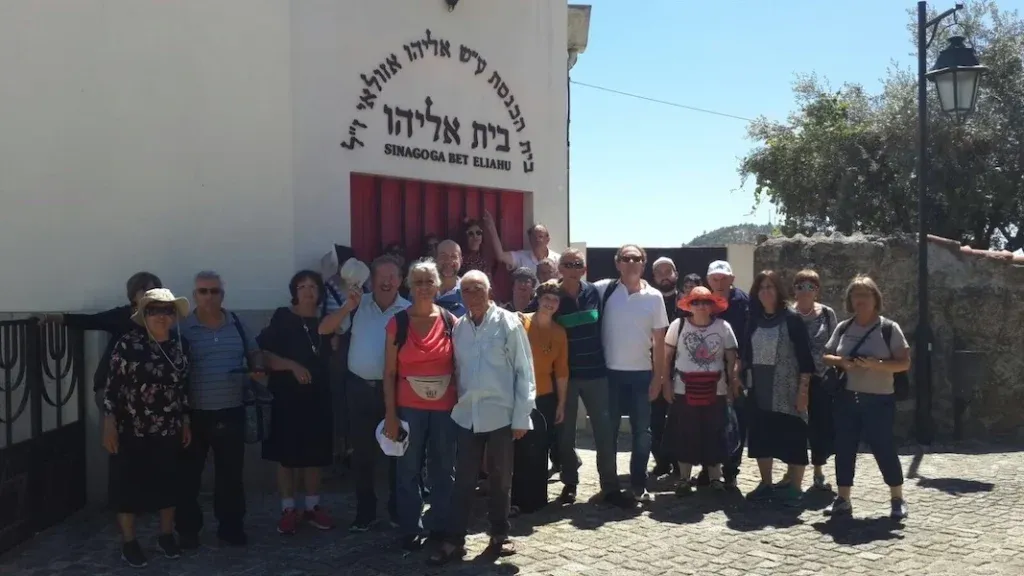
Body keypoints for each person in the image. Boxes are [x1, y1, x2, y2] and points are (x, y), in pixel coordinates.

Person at [427, 270, 535, 566]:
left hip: (501, 413)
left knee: (501, 478)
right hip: (467, 415)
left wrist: (522, 416)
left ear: (489, 291)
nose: (471, 295)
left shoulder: (508, 322)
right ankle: (454, 539)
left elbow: (523, 370)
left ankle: (500, 534)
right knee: (463, 480)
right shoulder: (459, 327)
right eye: (465, 290)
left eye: (477, 289)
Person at [319, 256, 410, 531]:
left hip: (394, 392)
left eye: (392, 276)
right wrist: (347, 306)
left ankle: (397, 509)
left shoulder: (408, 311)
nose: (386, 281)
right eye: (381, 276)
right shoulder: (358, 306)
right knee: (362, 455)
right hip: (359, 390)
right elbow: (324, 329)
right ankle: (365, 511)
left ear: (401, 280)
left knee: (398, 452)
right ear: (371, 280)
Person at [102, 288, 191, 568]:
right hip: (131, 427)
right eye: (154, 310)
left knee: (169, 484)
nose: (161, 316)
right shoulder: (128, 343)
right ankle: (130, 542)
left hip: (168, 427)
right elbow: (112, 386)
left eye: (166, 310)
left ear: (174, 315)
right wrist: (109, 423)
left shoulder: (181, 345)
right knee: (127, 487)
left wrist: (186, 420)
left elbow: (185, 387)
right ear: (144, 315)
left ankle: (166, 536)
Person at [175, 271, 264, 548]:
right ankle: (188, 531)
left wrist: (257, 369)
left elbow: (255, 351)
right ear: (194, 296)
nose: (209, 296)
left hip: (232, 410)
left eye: (214, 291)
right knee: (189, 478)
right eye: (203, 291)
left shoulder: (237, 323)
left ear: (222, 295)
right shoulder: (183, 329)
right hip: (195, 414)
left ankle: (231, 528)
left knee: (230, 477)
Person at [381, 260, 458, 551]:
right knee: (408, 469)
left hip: (445, 409)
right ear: (410, 287)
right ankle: (409, 527)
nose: (424, 287)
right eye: (418, 282)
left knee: (443, 470)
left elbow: (461, 369)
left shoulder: (451, 321)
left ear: (438, 285)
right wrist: (390, 415)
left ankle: (439, 525)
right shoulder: (397, 323)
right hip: (408, 408)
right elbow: (388, 373)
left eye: (429, 281)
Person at [548, 248, 633, 508]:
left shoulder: (594, 293)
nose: (574, 268)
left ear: (584, 269)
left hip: (597, 374)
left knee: (604, 433)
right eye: (568, 264)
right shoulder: (552, 296)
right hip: (566, 377)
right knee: (565, 434)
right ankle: (570, 484)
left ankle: (610, 486)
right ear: (559, 269)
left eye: (578, 264)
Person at [822, 275, 911, 520]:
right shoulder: (844, 327)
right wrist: (842, 362)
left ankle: (897, 498)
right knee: (844, 449)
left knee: (884, 449)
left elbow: (904, 363)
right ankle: (843, 499)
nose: (860, 299)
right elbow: (826, 356)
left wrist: (877, 364)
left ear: (875, 298)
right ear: (850, 299)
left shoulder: (888, 328)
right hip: (847, 398)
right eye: (855, 294)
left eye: (865, 294)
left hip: (879, 399)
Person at [260, 271, 335, 535]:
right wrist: (291, 365)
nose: (307, 291)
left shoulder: (327, 320)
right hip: (287, 397)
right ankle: (289, 508)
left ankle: (313, 507)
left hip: (318, 396)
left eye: (313, 286)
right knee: (287, 456)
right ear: (294, 291)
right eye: (302, 286)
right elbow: (264, 354)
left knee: (314, 455)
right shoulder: (283, 317)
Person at [596, 245, 669, 502]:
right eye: (625, 258)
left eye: (636, 258)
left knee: (642, 432)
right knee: (609, 433)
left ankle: (638, 484)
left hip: (641, 375)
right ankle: (610, 485)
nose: (630, 263)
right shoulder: (604, 290)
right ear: (617, 263)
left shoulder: (655, 297)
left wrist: (659, 378)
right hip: (610, 375)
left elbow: (660, 342)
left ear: (643, 263)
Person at [740, 270, 816, 506]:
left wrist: (803, 392)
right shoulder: (754, 318)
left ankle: (795, 487)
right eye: (761, 287)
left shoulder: (792, 319)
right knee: (761, 437)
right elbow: (746, 353)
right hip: (759, 389)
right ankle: (766, 483)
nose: (765, 291)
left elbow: (805, 359)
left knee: (793, 436)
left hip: (787, 390)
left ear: (779, 290)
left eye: (770, 287)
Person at [36, 271, 163, 410]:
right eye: (147, 291)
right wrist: (49, 317)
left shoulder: (161, 319)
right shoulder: (122, 316)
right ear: (134, 294)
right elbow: (89, 321)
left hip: (144, 391)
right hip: (113, 387)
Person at [663, 287, 740, 495]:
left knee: (715, 433)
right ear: (689, 305)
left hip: (717, 390)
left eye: (705, 302)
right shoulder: (677, 327)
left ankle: (715, 479)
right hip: (682, 389)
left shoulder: (724, 327)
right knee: (685, 434)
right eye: (696, 302)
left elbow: (733, 358)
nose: (701, 306)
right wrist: (666, 383)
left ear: (712, 305)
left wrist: (733, 382)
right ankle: (684, 479)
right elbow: (667, 357)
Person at [775, 269, 838, 492]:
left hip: (820, 379)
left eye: (810, 286)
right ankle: (792, 471)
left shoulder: (827, 314)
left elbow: (834, 343)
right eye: (800, 285)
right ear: (794, 289)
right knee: (794, 427)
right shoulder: (787, 314)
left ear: (817, 290)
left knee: (820, 425)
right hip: (793, 378)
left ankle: (818, 471)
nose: (805, 290)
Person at [512, 280, 569, 512]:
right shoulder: (519, 322)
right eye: (546, 298)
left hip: (545, 395)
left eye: (555, 300)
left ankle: (536, 500)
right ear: (538, 298)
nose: (550, 303)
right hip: (518, 393)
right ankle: (514, 500)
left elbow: (562, 370)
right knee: (518, 448)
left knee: (539, 447)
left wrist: (562, 402)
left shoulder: (559, 332)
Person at [705, 260, 751, 488]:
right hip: (708, 373)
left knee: (736, 421)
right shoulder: (705, 301)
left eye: (724, 278)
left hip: (737, 371)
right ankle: (710, 468)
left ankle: (731, 469)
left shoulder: (744, 302)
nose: (719, 282)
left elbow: (746, 341)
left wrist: (737, 374)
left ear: (732, 279)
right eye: (715, 278)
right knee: (709, 421)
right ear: (709, 280)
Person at [650, 257, 680, 478]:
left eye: (668, 271)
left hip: (681, 371)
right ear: (654, 277)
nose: (664, 275)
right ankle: (661, 461)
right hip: (652, 369)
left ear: (676, 274)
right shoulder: (649, 302)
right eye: (659, 272)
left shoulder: (688, 303)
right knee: (655, 419)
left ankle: (679, 464)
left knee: (679, 419)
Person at [484, 211, 560, 273]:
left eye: (540, 236)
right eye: (534, 237)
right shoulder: (521, 257)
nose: (537, 240)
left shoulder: (558, 259)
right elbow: (500, 256)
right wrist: (491, 227)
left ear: (548, 240)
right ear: (529, 239)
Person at [435, 240, 467, 318]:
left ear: (461, 260)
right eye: (443, 256)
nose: (448, 261)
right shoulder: (422, 289)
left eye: (453, 256)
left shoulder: (469, 292)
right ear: (435, 259)